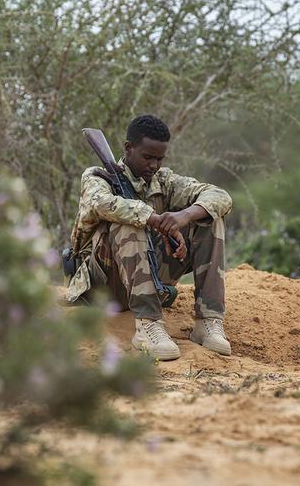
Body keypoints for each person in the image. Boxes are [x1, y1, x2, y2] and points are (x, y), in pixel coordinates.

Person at [64, 114, 233, 360]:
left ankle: (208, 321)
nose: (154, 165)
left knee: (209, 217)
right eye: (148, 157)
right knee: (129, 223)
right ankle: (148, 325)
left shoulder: (163, 180)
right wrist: (155, 220)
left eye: (159, 158)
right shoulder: (98, 176)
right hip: (101, 286)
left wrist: (182, 217)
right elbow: (101, 204)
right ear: (128, 148)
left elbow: (219, 196)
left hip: (147, 275)